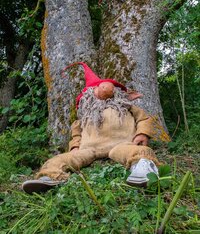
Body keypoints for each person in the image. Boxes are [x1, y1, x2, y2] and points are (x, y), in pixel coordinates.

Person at [22, 62, 170, 194]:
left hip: (121, 143)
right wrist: (75, 146)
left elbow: (143, 118)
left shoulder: (125, 106)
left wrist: (142, 133)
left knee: (135, 152)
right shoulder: (85, 115)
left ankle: (143, 168)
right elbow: (77, 133)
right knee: (63, 158)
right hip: (89, 149)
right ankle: (50, 176)